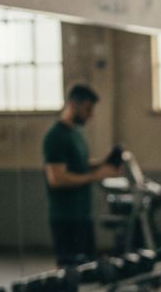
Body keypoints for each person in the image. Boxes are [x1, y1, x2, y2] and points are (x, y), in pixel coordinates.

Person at [41, 84, 121, 268]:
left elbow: (78, 165)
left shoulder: (76, 133)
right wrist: (96, 176)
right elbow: (57, 178)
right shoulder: (56, 137)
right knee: (69, 277)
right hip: (65, 218)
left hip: (83, 216)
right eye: (88, 109)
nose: (91, 115)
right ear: (73, 105)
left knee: (85, 273)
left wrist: (102, 162)